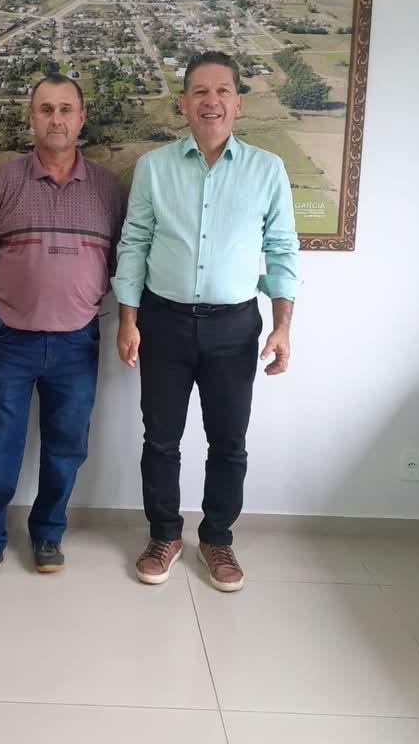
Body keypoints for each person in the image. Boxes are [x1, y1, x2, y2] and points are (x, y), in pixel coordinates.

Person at [113, 50, 299, 592]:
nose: (211, 101)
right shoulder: (154, 168)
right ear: (184, 103)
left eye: (222, 91)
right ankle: (164, 534)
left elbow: (282, 250)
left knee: (229, 442)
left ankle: (217, 538)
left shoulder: (267, 170)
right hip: (162, 323)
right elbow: (133, 244)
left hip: (235, 328)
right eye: (200, 91)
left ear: (238, 102)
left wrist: (282, 326)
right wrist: (127, 319)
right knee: (160, 440)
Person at [0, 74, 128, 587]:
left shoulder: (109, 190)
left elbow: (122, 260)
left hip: (77, 342)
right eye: (46, 109)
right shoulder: (2, 184)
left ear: (81, 118)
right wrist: (15, 296)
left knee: (67, 448)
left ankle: (48, 533)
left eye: (66, 109)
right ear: (31, 118)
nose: (56, 119)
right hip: (7, 340)